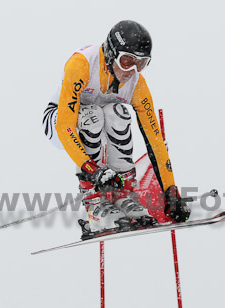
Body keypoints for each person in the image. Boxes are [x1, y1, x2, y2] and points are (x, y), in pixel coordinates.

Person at [43, 20, 190, 238]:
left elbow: (154, 140)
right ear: (111, 53)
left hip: (98, 120)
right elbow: (64, 126)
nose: (132, 71)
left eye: (141, 64)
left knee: (118, 112)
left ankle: (124, 195)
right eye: (127, 60)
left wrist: (170, 191)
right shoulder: (81, 64)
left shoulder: (137, 85)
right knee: (92, 114)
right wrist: (92, 169)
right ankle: (94, 203)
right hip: (59, 121)